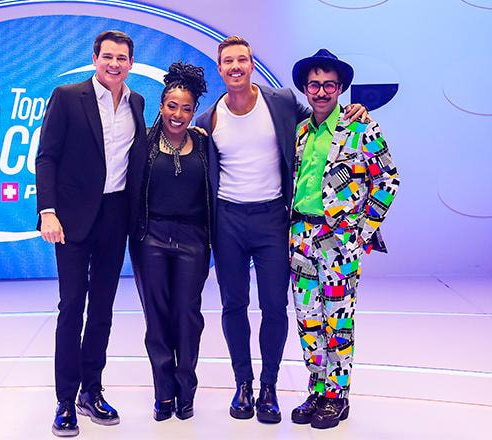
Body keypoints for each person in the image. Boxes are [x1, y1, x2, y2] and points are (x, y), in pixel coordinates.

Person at [196, 36, 368, 424]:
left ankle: (270, 387)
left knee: (275, 306)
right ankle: (244, 384)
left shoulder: (282, 102)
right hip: (228, 222)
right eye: (228, 61)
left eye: (243, 59)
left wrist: (353, 109)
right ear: (220, 68)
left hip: (274, 219)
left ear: (252, 64)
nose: (236, 66)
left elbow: (326, 118)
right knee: (233, 305)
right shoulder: (208, 120)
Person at [35, 30, 147, 437]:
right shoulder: (68, 96)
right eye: (107, 56)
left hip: (116, 216)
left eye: (122, 58)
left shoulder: (136, 101)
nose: (114, 64)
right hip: (71, 218)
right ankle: (65, 401)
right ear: (95, 58)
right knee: (72, 308)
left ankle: (91, 391)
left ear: (131, 63)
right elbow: (46, 156)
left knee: (102, 310)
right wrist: (47, 212)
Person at [288, 49, 399, 429]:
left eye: (329, 85)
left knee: (338, 322)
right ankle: (317, 390)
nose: (321, 92)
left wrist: (362, 231)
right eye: (315, 84)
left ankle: (337, 397)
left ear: (340, 89)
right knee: (308, 321)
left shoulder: (361, 128)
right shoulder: (302, 131)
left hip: (339, 241)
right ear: (305, 88)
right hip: (301, 235)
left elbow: (387, 180)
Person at [129, 62, 210, 422]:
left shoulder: (206, 144)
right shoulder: (142, 142)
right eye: (172, 106)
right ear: (161, 106)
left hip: (194, 239)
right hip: (151, 238)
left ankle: (185, 390)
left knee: (187, 317)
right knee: (157, 319)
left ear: (194, 112)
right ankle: (164, 393)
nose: (178, 114)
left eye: (186, 108)